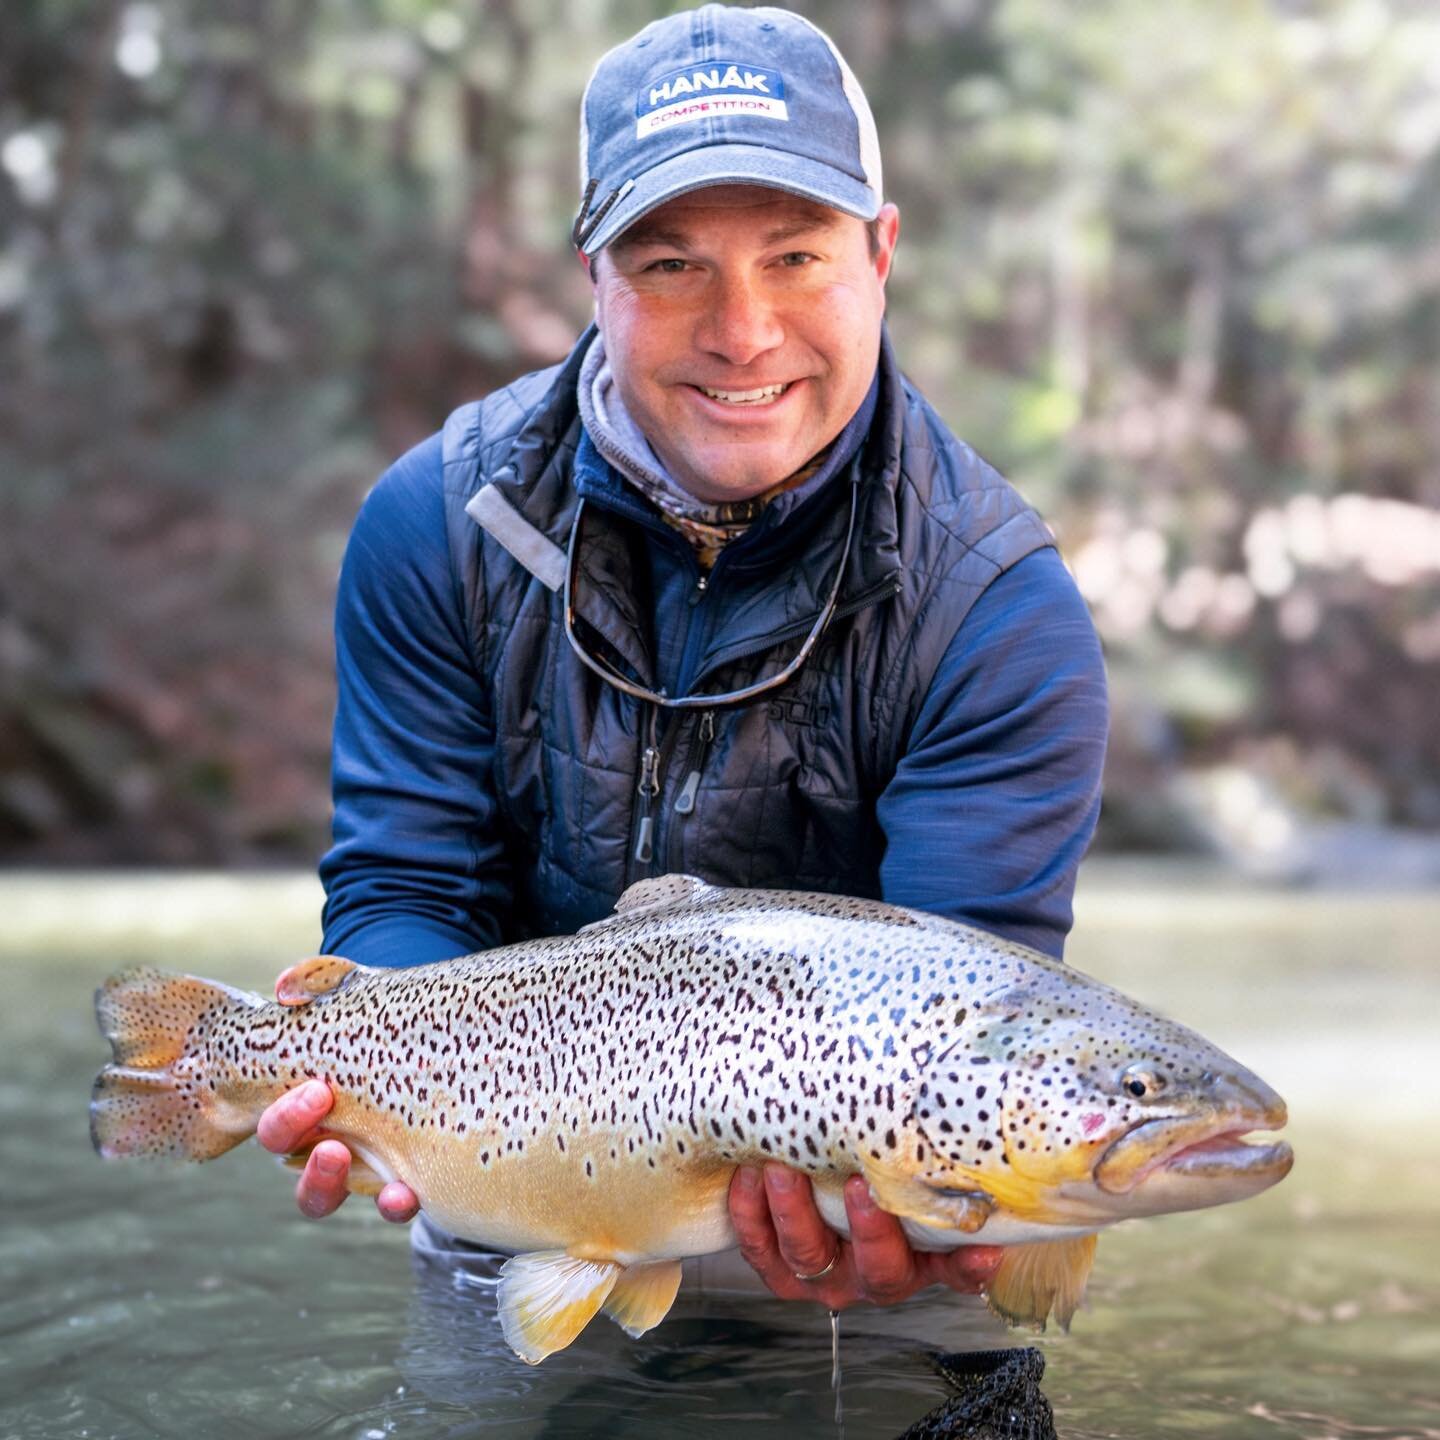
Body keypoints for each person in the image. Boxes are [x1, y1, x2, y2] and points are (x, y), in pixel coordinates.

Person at [257, 3, 1107, 1317]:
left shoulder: (996, 611)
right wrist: (373, 1087)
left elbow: (971, 1004)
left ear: (882, 253)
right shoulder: (440, 524)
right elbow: (407, 880)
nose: (744, 332)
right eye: (670, 266)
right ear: (593, 274)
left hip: (866, 1249)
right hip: (516, 1201)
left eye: (796, 256)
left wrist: (931, 1229)